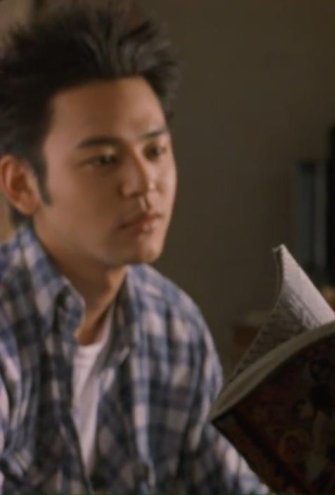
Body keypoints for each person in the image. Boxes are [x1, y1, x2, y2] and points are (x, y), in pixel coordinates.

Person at [0, 3, 265, 493]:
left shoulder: (174, 328)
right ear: (22, 184)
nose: (145, 183)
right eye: (104, 159)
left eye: (155, 150)